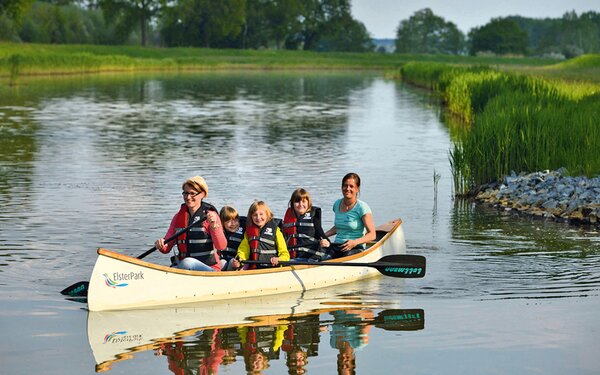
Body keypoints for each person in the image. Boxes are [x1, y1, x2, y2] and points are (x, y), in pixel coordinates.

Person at [154, 176, 227, 271]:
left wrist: (214, 227)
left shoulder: (210, 216)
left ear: (203, 194)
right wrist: (160, 244)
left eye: (192, 193)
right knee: (168, 270)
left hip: (209, 269)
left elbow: (221, 246)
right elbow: (166, 248)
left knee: (187, 262)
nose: (188, 197)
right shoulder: (178, 217)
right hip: (184, 267)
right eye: (185, 193)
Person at [325, 173, 376, 258]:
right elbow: (339, 227)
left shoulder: (362, 208)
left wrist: (354, 242)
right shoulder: (337, 204)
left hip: (355, 247)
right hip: (337, 245)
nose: (348, 189)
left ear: (357, 189)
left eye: (351, 186)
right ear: (342, 187)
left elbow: (372, 234)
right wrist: (323, 235)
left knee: (344, 257)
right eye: (345, 186)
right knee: (320, 255)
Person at [230, 200, 290, 270]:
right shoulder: (248, 232)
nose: (258, 218)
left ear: (267, 215)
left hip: (272, 268)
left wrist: (279, 259)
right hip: (255, 269)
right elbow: (243, 251)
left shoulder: (276, 230)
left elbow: (284, 253)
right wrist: (239, 260)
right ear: (251, 217)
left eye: (261, 214)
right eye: (255, 215)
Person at [282, 188, 330, 262]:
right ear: (292, 203)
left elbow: (321, 233)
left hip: (311, 258)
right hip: (292, 258)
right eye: (297, 201)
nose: (301, 204)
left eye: (304, 201)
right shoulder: (288, 218)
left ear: (308, 203)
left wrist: (326, 242)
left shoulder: (314, 217)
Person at [219, 205, 246, 269]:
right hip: (223, 259)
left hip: (237, 261)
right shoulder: (219, 230)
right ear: (222, 222)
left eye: (235, 220)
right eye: (228, 221)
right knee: (221, 263)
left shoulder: (244, 226)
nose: (233, 224)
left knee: (232, 262)